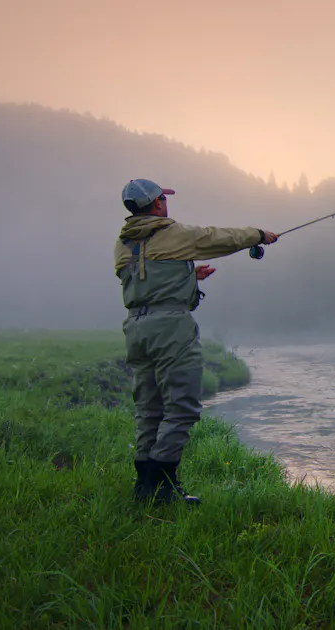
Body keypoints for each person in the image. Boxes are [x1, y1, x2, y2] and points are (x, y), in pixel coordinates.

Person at [115, 178, 278, 505]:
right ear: (157, 203)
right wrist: (260, 236)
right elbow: (218, 239)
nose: (166, 202)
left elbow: (144, 278)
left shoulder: (123, 243)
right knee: (183, 405)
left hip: (136, 328)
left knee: (150, 408)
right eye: (164, 198)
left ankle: (144, 487)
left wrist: (187, 276)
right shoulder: (172, 234)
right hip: (170, 329)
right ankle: (163, 485)